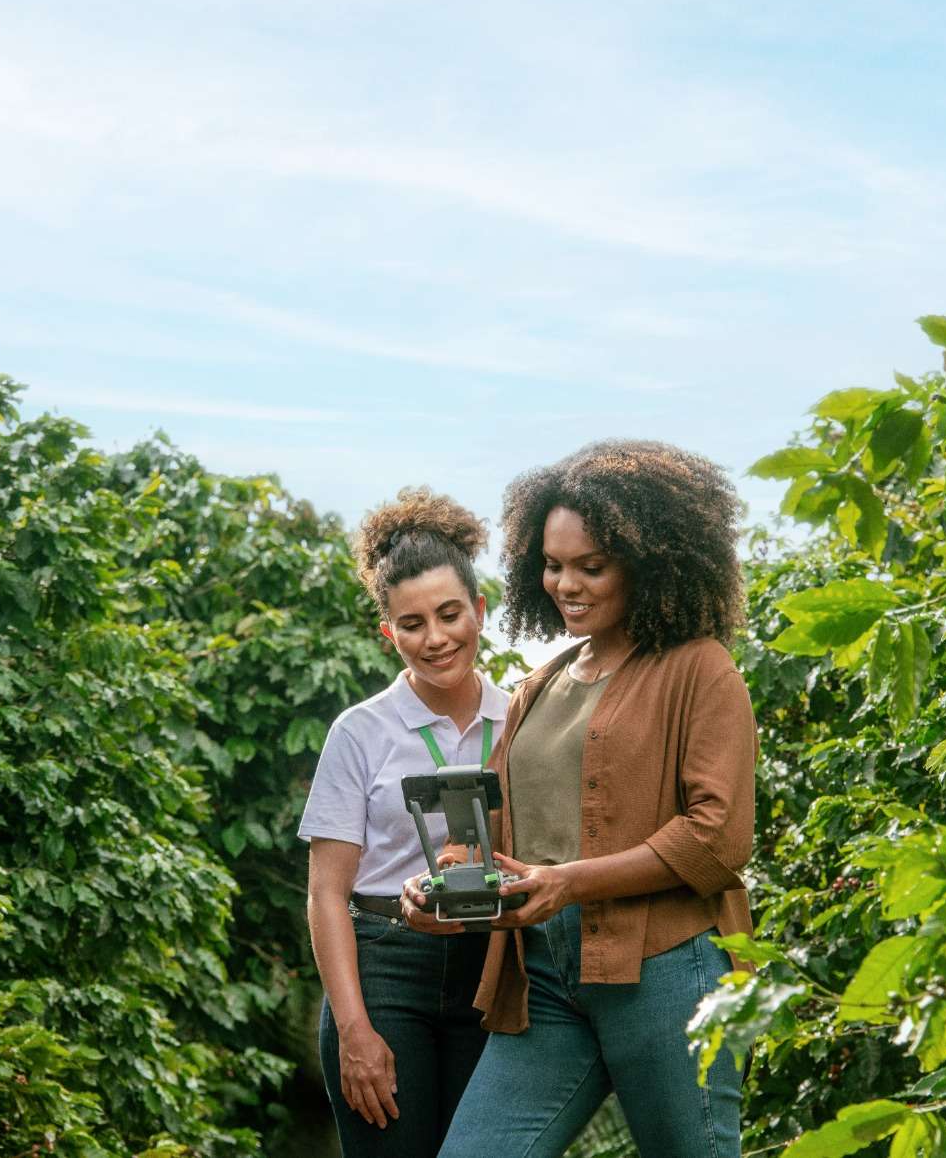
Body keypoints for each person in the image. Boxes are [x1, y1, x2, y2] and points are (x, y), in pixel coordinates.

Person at [404, 440, 755, 1158]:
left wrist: (569, 884)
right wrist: (445, 883)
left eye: (591, 567)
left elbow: (717, 838)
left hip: (666, 972)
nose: (567, 583)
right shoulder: (543, 684)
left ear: (648, 564)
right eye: (554, 564)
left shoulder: (701, 669)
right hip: (544, 982)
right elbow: (492, 821)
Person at [299, 488, 513, 1157]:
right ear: (389, 634)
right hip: (385, 967)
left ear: (479, 611)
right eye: (412, 624)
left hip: (493, 965)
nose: (436, 637)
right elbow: (325, 893)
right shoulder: (359, 732)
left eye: (450, 614)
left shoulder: (522, 720)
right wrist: (356, 1031)